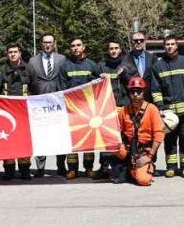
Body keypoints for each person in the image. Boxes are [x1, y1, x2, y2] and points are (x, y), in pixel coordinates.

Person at [151, 35, 184, 177]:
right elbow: (155, 89)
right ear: (164, 47)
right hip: (168, 112)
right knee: (170, 140)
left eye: (172, 44)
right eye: (167, 44)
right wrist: (161, 107)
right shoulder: (158, 66)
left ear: (177, 46)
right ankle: (171, 167)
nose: (170, 47)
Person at [58, 37, 101, 179]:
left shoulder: (92, 65)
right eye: (73, 46)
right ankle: (72, 170)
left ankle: (88, 168)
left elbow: (98, 86)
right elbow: (61, 88)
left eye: (78, 45)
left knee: (89, 139)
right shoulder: (65, 66)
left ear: (84, 47)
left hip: (89, 109)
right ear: (70, 48)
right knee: (72, 140)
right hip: (71, 110)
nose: (76, 48)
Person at [26, 33, 65, 175]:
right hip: (39, 105)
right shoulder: (32, 61)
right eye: (45, 42)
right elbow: (29, 82)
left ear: (54, 44)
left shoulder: (62, 59)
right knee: (40, 137)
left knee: (59, 136)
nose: (47, 45)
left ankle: (61, 166)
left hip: (58, 104)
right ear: (41, 44)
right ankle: (40, 168)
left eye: (50, 42)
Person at [99, 39, 138, 179]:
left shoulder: (129, 65)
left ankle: (125, 168)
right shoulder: (102, 66)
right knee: (107, 139)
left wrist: (125, 75)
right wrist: (99, 79)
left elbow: (136, 86)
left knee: (126, 139)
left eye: (116, 48)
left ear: (120, 50)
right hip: (107, 109)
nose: (114, 51)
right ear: (108, 50)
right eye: (111, 48)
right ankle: (104, 167)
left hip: (124, 107)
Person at [114, 76, 162, 186]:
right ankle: (126, 167)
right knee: (112, 145)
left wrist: (149, 156)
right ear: (129, 93)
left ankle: (143, 168)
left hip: (144, 151)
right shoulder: (124, 110)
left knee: (143, 180)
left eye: (138, 92)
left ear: (143, 92)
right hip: (128, 148)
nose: (135, 95)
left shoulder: (152, 109)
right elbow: (117, 130)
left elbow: (159, 134)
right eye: (132, 92)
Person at [0, 42, 33, 179]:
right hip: (6, 113)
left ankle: (24, 170)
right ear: (7, 54)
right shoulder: (1, 70)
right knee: (8, 141)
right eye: (10, 52)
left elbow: (34, 88)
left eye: (15, 52)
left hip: (24, 113)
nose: (12, 54)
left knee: (23, 142)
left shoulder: (28, 69)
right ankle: (9, 171)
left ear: (20, 53)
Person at [128, 32, 156, 103]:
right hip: (132, 100)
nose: (139, 42)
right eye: (136, 40)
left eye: (141, 40)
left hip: (150, 99)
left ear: (145, 42)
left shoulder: (153, 58)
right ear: (131, 42)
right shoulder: (125, 59)